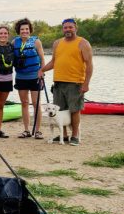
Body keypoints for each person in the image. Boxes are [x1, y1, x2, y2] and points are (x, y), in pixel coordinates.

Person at [39, 18, 93, 146]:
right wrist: (41, 70)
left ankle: (74, 135)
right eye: (65, 27)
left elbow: (89, 65)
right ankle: (64, 135)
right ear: (62, 29)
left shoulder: (83, 43)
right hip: (58, 82)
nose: (68, 29)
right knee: (60, 109)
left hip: (75, 83)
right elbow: (53, 62)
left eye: (70, 27)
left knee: (74, 110)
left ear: (76, 28)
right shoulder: (57, 43)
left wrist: (86, 83)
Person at [12, 18, 45, 139]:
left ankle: (38, 131)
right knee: (24, 103)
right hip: (21, 77)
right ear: (18, 31)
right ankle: (26, 130)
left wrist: (42, 71)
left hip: (35, 76)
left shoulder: (36, 41)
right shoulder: (15, 42)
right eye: (22, 29)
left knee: (36, 103)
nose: (24, 31)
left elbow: (42, 58)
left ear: (30, 30)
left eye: (26, 29)